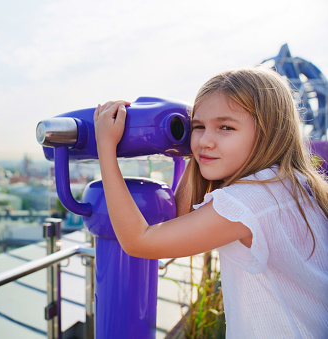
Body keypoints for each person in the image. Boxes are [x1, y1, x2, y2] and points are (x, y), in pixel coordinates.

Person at [93, 66, 328, 338]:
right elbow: (179, 221)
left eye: (225, 127)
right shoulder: (293, 183)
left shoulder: (247, 202)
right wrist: (196, 153)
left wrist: (105, 148)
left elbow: (140, 241)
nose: (205, 140)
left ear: (269, 132)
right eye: (198, 127)